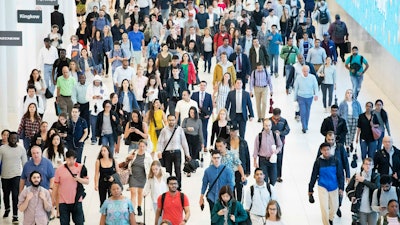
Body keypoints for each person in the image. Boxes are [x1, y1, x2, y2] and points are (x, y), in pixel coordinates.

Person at [308, 142, 344, 225]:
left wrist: (341, 188)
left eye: (328, 149)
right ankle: (326, 223)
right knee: (324, 208)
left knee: (335, 206)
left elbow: (340, 175)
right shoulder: (318, 162)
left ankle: (330, 218)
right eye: (324, 150)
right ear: (321, 151)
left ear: (330, 150)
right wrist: (310, 190)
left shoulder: (335, 160)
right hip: (322, 186)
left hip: (334, 186)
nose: (326, 151)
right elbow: (313, 176)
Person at [319, 131, 350, 217]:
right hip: (328, 175)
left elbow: (345, 161)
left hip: (339, 174)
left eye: (332, 139)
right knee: (330, 193)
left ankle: (337, 206)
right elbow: (318, 160)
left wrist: (348, 175)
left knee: (340, 192)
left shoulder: (340, 147)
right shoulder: (323, 147)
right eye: (329, 139)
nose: (330, 141)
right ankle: (332, 209)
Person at [53, 150, 89, 225]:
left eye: (73, 159)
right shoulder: (59, 169)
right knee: (64, 223)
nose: (71, 161)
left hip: (77, 200)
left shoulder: (81, 167)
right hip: (63, 201)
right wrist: (54, 200)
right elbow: (56, 186)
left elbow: (87, 181)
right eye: (69, 159)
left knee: (79, 222)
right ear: (66, 158)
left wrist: (79, 179)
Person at [157, 115, 191, 189]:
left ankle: (178, 187)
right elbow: (160, 142)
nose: (171, 121)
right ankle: (168, 186)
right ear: (167, 120)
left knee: (178, 170)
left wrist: (187, 154)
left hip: (177, 152)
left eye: (173, 120)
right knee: (168, 171)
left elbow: (184, 142)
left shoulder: (179, 129)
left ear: (175, 120)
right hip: (167, 153)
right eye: (170, 120)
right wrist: (159, 152)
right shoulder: (164, 130)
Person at [0, 132, 28, 222]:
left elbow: (25, 163)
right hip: (5, 175)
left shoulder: (21, 149)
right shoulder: (2, 148)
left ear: (17, 139)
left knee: (15, 196)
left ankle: (15, 215)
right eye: (11, 138)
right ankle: (7, 208)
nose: (13, 140)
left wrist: (26, 176)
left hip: (16, 175)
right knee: (6, 194)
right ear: (8, 139)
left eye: (15, 138)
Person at [346, 157, 379, 225]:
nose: (368, 166)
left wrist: (364, 181)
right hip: (360, 208)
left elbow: (376, 187)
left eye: (370, 164)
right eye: (366, 164)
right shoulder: (357, 175)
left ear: (373, 166)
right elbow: (348, 189)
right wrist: (352, 197)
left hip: (372, 209)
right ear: (363, 165)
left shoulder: (376, 176)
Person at [126, 139, 152, 216]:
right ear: (138, 146)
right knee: (133, 193)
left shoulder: (148, 156)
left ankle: (139, 207)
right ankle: (132, 210)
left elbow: (151, 166)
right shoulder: (133, 152)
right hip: (133, 175)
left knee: (140, 193)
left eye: (143, 146)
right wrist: (128, 158)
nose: (142, 148)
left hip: (142, 176)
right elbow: (126, 161)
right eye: (140, 146)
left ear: (146, 147)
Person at [253, 119, 283, 185]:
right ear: (263, 126)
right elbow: (256, 149)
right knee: (264, 179)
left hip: (272, 160)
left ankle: (270, 190)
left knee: (274, 178)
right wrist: (255, 161)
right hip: (263, 160)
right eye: (266, 125)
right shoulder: (259, 136)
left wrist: (276, 151)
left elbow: (280, 145)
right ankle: (266, 192)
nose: (268, 127)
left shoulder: (275, 135)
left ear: (271, 126)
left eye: (269, 125)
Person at [226, 124, 250, 201]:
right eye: (230, 131)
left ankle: (239, 205)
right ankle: (233, 206)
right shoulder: (226, 142)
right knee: (231, 189)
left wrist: (247, 171)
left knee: (239, 189)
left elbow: (247, 156)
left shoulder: (243, 142)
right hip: (229, 170)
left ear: (237, 131)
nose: (231, 133)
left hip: (240, 169)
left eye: (233, 131)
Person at [293, 65, 319, 133]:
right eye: (304, 71)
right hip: (301, 96)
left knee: (307, 111)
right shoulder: (298, 78)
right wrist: (295, 98)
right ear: (302, 71)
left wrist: (316, 94)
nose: (305, 72)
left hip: (309, 97)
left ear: (309, 71)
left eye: (307, 71)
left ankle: (306, 125)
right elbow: (296, 88)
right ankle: (304, 126)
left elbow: (316, 86)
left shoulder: (312, 77)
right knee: (302, 111)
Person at [86, 75, 109, 145]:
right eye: (96, 82)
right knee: (93, 124)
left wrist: (101, 97)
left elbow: (107, 96)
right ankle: (93, 138)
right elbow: (86, 97)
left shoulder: (103, 87)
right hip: (93, 108)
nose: (97, 83)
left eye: (98, 82)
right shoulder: (90, 87)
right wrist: (93, 97)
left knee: (103, 124)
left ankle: (102, 138)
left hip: (101, 108)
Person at [269, 108, 290, 183]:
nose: (276, 118)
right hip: (270, 143)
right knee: (270, 159)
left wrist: (280, 133)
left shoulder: (283, 121)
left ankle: (278, 176)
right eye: (275, 116)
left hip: (280, 143)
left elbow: (287, 130)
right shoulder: (269, 121)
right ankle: (270, 175)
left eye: (277, 116)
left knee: (279, 159)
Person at [338, 89, 362, 153]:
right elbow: (339, 112)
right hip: (345, 118)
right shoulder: (342, 103)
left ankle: (351, 142)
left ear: (352, 94)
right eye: (348, 93)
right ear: (346, 94)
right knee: (347, 132)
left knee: (353, 132)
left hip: (355, 118)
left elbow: (360, 111)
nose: (349, 94)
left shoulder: (356, 102)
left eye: (350, 93)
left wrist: (361, 119)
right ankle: (347, 147)